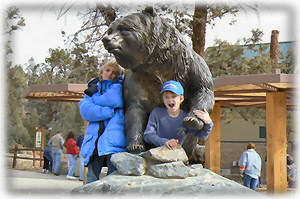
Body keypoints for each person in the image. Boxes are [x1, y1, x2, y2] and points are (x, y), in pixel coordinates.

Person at [79, 60, 126, 184]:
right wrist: (108, 112)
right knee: (91, 178)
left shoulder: (119, 87)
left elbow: (114, 99)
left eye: (115, 72)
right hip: (94, 142)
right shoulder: (92, 89)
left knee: (112, 180)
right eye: (108, 70)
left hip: (114, 143)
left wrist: (95, 100)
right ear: (101, 72)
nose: (110, 74)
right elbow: (86, 112)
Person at [143, 80, 213, 150]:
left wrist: (208, 123)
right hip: (157, 155)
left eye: (174, 96)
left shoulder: (186, 117)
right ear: (163, 99)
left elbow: (202, 136)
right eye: (166, 97)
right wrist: (165, 142)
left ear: (181, 99)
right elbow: (148, 135)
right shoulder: (156, 113)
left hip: (177, 156)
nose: (170, 100)